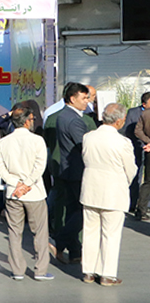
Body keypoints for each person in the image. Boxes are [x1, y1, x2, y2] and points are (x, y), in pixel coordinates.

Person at [80, 103, 138, 286]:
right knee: (111, 235)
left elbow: (85, 158)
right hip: (113, 191)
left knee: (90, 232)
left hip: (90, 188)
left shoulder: (88, 137)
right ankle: (107, 274)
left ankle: (89, 272)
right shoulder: (123, 142)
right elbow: (131, 169)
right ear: (120, 121)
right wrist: (124, 182)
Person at [0, 105, 51, 281]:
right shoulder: (37, 141)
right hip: (34, 193)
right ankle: (40, 270)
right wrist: (26, 184)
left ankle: (17, 270)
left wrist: (16, 184)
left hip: (13, 193)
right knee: (40, 232)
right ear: (27, 121)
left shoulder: (3, 142)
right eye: (32, 119)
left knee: (14, 232)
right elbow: (40, 167)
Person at [52, 82, 93, 264]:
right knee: (83, 211)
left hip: (67, 170)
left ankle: (75, 251)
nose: (87, 101)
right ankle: (59, 243)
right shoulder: (75, 120)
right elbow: (85, 146)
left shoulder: (62, 116)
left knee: (72, 210)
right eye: (84, 98)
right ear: (72, 98)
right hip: (77, 171)